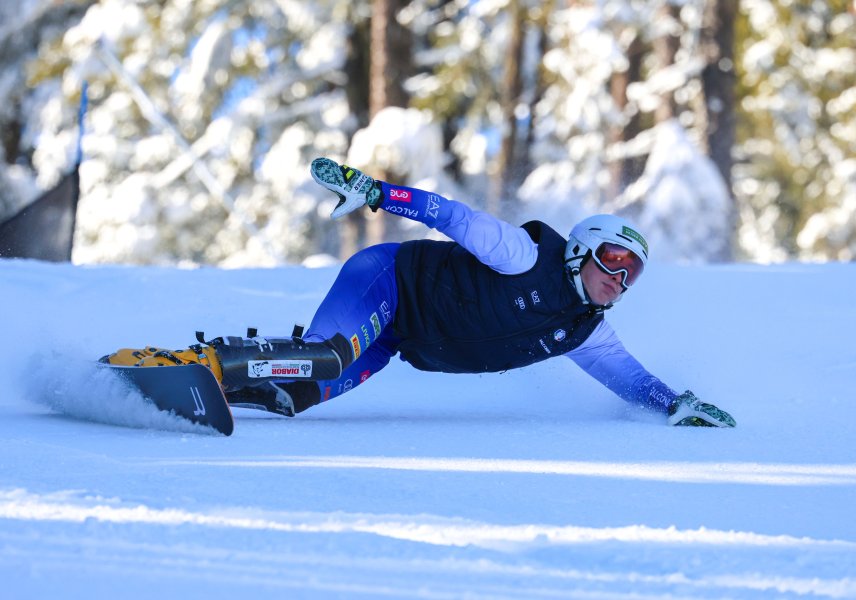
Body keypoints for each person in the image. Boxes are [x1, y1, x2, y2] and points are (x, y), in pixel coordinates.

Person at [103, 158, 736, 427]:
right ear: (581, 248)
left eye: (634, 272)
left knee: (292, 394)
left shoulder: (584, 329)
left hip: (402, 338)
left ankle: (182, 391)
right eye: (614, 259)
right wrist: (378, 193)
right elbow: (455, 216)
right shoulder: (528, 256)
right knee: (325, 355)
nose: (620, 279)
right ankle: (200, 360)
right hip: (390, 280)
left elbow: (629, 380)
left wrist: (674, 402)